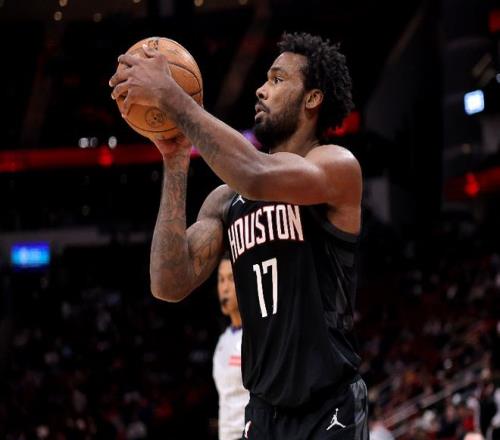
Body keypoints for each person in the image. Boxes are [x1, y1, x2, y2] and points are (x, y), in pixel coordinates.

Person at [110, 32, 368, 439]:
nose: (261, 90)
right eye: (265, 79)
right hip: (263, 413)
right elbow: (168, 283)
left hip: (328, 409)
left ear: (313, 99)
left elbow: (256, 174)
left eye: (277, 80)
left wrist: (173, 97)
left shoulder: (336, 167)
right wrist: (175, 159)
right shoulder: (226, 200)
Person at [213, 254, 249, 440]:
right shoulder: (222, 340)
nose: (224, 288)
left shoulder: (257, 338)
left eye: (230, 279)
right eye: (221, 280)